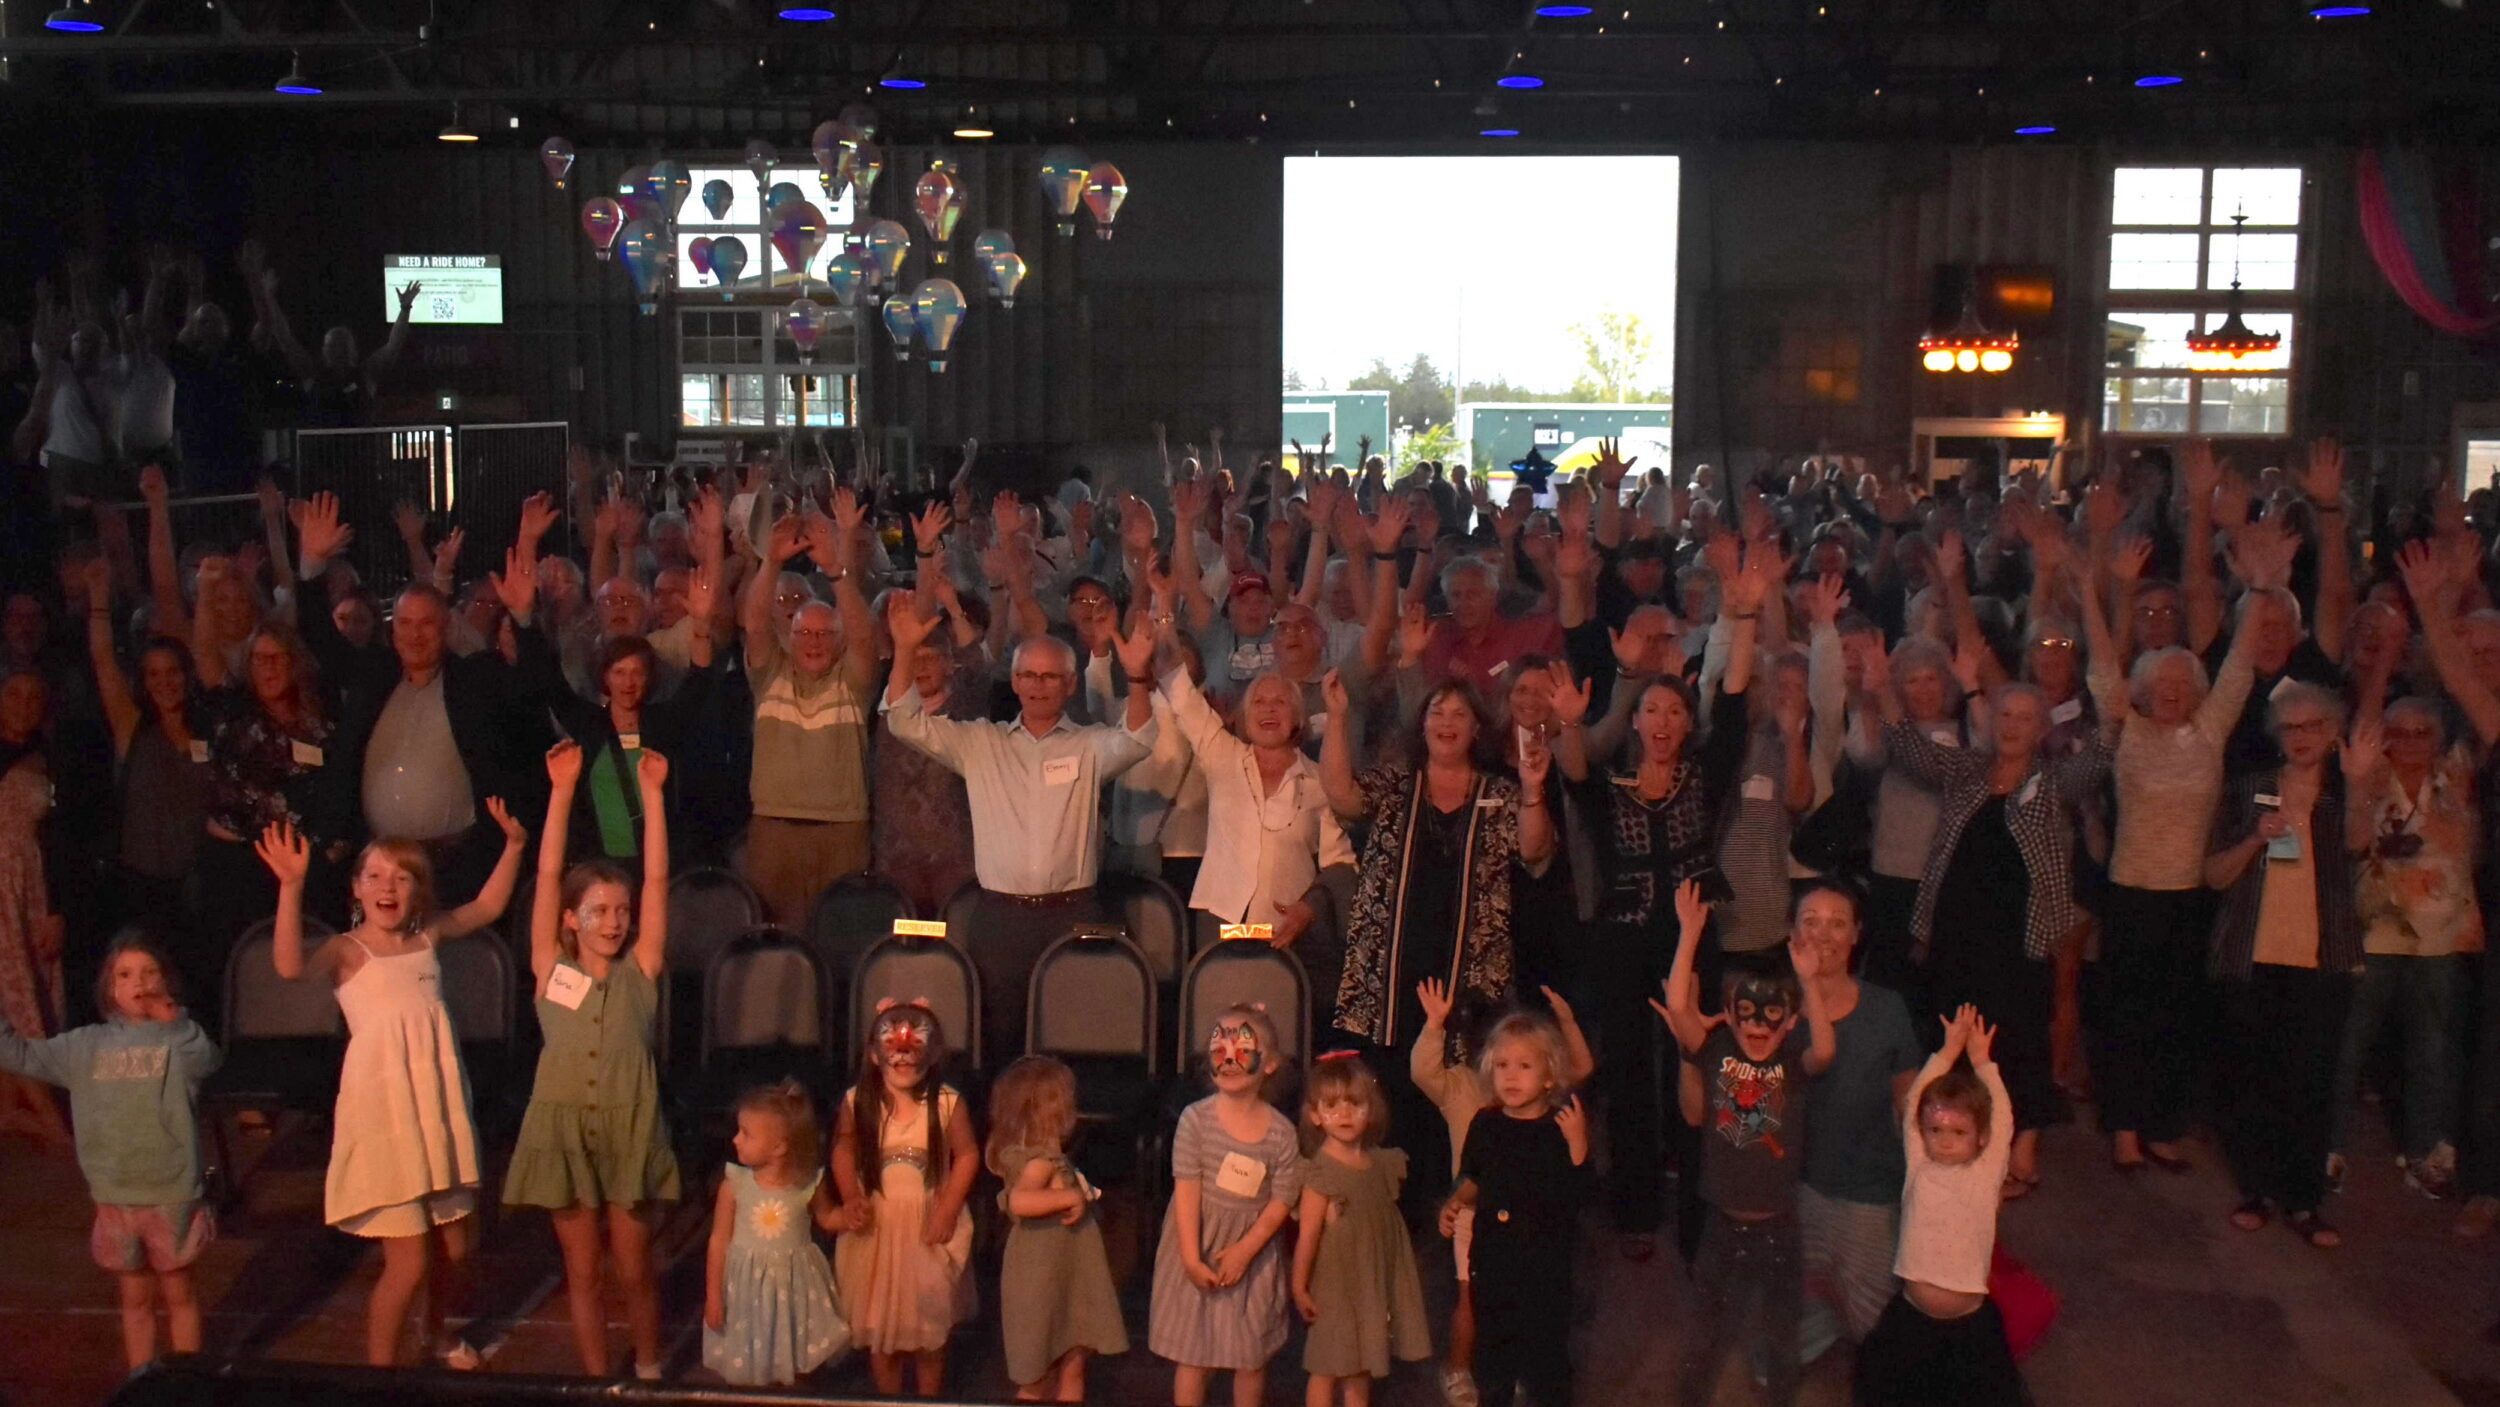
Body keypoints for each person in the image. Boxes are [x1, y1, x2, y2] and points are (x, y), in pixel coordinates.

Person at [254, 800, 527, 1368]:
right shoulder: (346, 952)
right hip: (386, 1118)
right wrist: (290, 888)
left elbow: (487, 905)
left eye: (402, 878)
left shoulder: (428, 936)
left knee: (456, 1244)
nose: (388, 886)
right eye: (375, 875)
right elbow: (286, 965)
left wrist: (515, 847)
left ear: (419, 892)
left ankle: (436, 1335)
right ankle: (380, 1378)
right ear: (355, 889)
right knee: (408, 1263)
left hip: (435, 1112)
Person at [880, 596, 1159, 1063]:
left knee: (1074, 1042)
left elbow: (1139, 738)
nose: (1038, 685)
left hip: (1073, 913)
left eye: (1050, 676)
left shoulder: (1088, 747)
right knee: (999, 1041)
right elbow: (904, 722)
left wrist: (1136, 677)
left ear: (1070, 684)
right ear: (1014, 681)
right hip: (1000, 920)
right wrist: (905, 651)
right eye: (1028, 675)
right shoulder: (980, 743)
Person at [1318, 667, 1556, 1165]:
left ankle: (1454, 1213)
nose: (1447, 722)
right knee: (1388, 1091)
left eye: (1459, 714)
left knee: (1458, 1098)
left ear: (1476, 728)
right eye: (1437, 712)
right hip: (1388, 976)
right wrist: (1338, 719)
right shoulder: (1397, 780)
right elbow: (1342, 795)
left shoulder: (1500, 790)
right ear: (1422, 724)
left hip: (1467, 981)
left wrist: (1534, 788)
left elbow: (1535, 851)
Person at [2088, 525, 2269, 1175]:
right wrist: (2115, 589)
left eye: (2180, 681)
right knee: (2126, 1014)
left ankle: (2162, 1122)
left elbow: (2242, 668)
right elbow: (2102, 664)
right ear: (2143, 688)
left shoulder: (2210, 731)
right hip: (2131, 891)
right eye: (2159, 681)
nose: (2170, 689)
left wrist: (2263, 586)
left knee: (2175, 1016)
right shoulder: (2127, 728)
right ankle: (2125, 1127)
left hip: (2187, 894)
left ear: (2194, 689)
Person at [501, 741, 680, 1377]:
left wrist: (653, 799)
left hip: (629, 1127)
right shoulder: (551, 968)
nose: (614, 921)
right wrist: (561, 791)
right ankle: (598, 1377)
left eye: (621, 911)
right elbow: (547, 876)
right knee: (581, 1270)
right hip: (565, 1128)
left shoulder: (642, 967)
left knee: (633, 1267)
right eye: (599, 911)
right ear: (572, 920)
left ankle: (651, 1367)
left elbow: (657, 879)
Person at [292, 491, 561, 902]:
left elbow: (533, 686)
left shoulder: (476, 678)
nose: (415, 635)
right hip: (378, 864)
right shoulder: (374, 675)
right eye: (404, 623)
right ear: (392, 627)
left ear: (445, 627)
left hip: (457, 864)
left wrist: (524, 620)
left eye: (427, 624)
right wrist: (311, 568)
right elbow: (320, 640)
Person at [1655, 879, 1839, 1407]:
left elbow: (1825, 1051)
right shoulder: (1713, 1049)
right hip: (1721, 1218)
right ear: (1730, 1014)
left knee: (1782, 1326)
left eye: (1771, 1016)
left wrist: (1808, 983)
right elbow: (1677, 1005)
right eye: (1746, 1015)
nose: (1758, 1025)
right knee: (1708, 1322)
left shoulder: (1794, 1061)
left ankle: (1780, 1396)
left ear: (1790, 1021)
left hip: (1780, 1220)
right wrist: (1690, 932)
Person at [0, 933, 218, 1370]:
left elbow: (207, 1061)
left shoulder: (180, 1040)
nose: (138, 981)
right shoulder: (84, 1046)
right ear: (109, 988)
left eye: (149, 972)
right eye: (125, 974)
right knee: (134, 1298)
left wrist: (173, 1022)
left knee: (178, 1292)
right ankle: (141, 1381)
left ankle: (188, 1383)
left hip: (170, 1192)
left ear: (167, 983)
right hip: (114, 1195)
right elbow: (19, 1054)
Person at [2204, 684, 2362, 1248]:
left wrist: (2362, 781)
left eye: (2313, 726)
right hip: (2253, 955)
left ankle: (2303, 1200)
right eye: (2291, 728)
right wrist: (2253, 839)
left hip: (2321, 960)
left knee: (2311, 1081)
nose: (2302, 738)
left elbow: (2362, 844)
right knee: (2254, 1077)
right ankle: (2256, 1189)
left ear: (2332, 731)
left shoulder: (2343, 795)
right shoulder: (2251, 790)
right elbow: (2215, 875)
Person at [1411, 977, 1594, 1407]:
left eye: (1525, 1066)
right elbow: (1476, 1175)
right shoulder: (1486, 1123)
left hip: (1544, 1271)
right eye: (1503, 1065)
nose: (1511, 1076)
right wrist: (1455, 1202)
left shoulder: (1558, 1125)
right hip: (1493, 1263)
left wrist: (1579, 1144)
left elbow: (1576, 1194)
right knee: (1493, 1361)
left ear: (1550, 1076)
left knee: (1545, 1364)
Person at [2334, 694, 2481, 1199]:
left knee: (2432, 1049)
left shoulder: (2457, 780)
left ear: (2438, 740)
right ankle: (2329, 1146)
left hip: (2439, 937)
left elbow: (2465, 846)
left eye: (2423, 733)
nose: (2412, 742)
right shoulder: (2370, 781)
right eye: (2401, 732)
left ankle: (2425, 1150)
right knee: (2350, 1044)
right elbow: (2353, 842)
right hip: (2375, 932)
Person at [1852, 1006, 2023, 1407]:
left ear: (1981, 1137)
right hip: (1912, 1320)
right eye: (1936, 1130)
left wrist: (1982, 1062)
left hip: (1968, 1329)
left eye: (1959, 1131)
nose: (1945, 1139)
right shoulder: (1920, 1165)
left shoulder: (1985, 1173)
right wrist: (1945, 1055)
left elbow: (2003, 1119)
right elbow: (1914, 1105)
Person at [1792, 882, 1924, 1360]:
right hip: (1799, 1189)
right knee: (1790, 1330)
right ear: (1792, 934)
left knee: (1877, 1330)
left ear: (1856, 936)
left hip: (1868, 1192)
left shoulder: (1887, 1008)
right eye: (1810, 921)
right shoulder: (1773, 1011)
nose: (1823, 933)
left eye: (1837, 922)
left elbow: (1908, 1101)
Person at [1150, 1004, 1303, 1407]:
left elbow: (1282, 1198)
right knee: (1194, 1355)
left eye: (1243, 1050)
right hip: (1199, 1244)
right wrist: (1189, 1256)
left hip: (1252, 1255)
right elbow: (1186, 1189)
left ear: (1269, 1064)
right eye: (1220, 1050)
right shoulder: (1195, 1121)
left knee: (1250, 1356)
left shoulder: (1282, 1134)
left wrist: (1245, 1251)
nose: (1230, 1059)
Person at [739, 495, 881, 926]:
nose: (815, 641)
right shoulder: (769, 675)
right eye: (805, 632)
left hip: (842, 831)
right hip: (772, 830)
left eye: (825, 633)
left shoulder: (853, 682)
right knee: (772, 937)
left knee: (841, 938)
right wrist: (771, 565)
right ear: (791, 636)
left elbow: (863, 637)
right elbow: (756, 623)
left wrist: (836, 572)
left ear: (838, 641)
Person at [831, 1000, 979, 1398]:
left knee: (929, 1329)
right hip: (877, 1231)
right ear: (874, 1056)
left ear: (931, 1058)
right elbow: (843, 1150)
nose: (904, 1066)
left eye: (913, 1059)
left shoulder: (947, 1103)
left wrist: (948, 1207)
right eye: (895, 1059)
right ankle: (889, 1401)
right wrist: (849, 1196)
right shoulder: (857, 1102)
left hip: (925, 1229)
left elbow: (967, 1154)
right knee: (882, 1331)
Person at [80, 559, 210, 1004]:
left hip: (196, 882)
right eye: (154, 674)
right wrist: (98, 598)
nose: (164, 682)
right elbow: (102, 660)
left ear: (186, 675)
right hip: (141, 886)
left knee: (195, 982)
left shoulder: (208, 728)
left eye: (172, 672)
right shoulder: (131, 725)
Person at [988, 1054, 1129, 1404]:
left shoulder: (1053, 1159)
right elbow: (1020, 1201)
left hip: (1069, 1276)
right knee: (1038, 1373)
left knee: (1073, 1364)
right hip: (1045, 1282)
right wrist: (1069, 1196)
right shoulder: (1038, 1163)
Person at [1292, 1053, 1431, 1407]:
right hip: (1335, 1288)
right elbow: (1307, 1236)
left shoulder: (1380, 1164)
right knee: (1326, 1365)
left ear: (1371, 1111)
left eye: (1354, 1104)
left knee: (1360, 1366)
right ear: (1315, 1115)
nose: (1344, 1114)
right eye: (1332, 1105)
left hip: (1368, 1285)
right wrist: (1299, 1285)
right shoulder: (1319, 1173)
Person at [702, 1080, 850, 1386]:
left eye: (747, 1134)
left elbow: (827, 1217)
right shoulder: (734, 1186)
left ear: (779, 1146)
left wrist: (850, 1216)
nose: (735, 1139)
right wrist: (713, 1295)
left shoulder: (808, 1183)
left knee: (796, 1364)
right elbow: (719, 1241)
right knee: (751, 1366)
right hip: (748, 1293)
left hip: (795, 1289)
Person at [0, 667, 70, 1148]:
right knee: (14, 1000)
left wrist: (57, 908)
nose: (23, 703)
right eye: (14, 694)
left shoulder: (52, 760)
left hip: (31, 892)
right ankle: (46, 1119)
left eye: (33, 695)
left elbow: (63, 842)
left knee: (30, 993)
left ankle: (15, 1107)